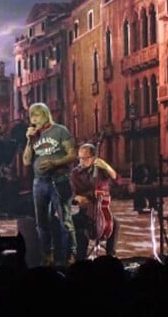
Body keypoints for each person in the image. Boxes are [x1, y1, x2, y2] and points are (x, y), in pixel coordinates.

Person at [22, 102, 77, 267]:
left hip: (59, 180)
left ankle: (70, 255)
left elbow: (72, 154)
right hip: (39, 182)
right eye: (31, 116)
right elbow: (26, 161)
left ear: (45, 115)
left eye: (37, 115)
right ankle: (47, 256)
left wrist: (55, 163)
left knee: (64, 220)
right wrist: (29, 141)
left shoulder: (59, 130)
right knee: (41, 222)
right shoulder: (34, 136)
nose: (34, 119)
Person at [70, 142, 120, 260]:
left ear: (93, 158)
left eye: (84, 158)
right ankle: (80, 259)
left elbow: (118, 181)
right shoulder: (75, 173)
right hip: (85, 212)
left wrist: (107, 167)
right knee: (78, 227)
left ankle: (110, 257)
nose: (81, 161)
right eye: (80, 158)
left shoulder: (102, 171)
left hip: (102, 213)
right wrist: (76, 198)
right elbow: (69, 194)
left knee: (115, 224)